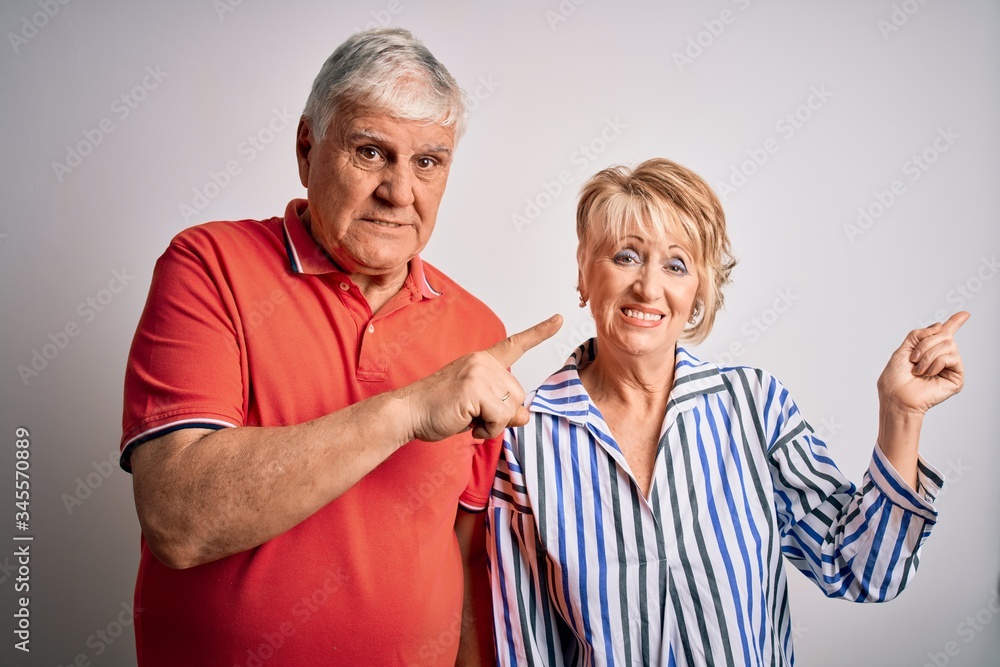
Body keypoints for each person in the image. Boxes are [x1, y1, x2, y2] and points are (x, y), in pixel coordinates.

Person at [120, 28, 560, 666]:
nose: (399, 192)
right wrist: (408, 410)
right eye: (371, 152)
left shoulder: (478, 332)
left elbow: (469, 556)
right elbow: (177, 518)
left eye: (428, 162)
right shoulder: (209, 266)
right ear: (307, 148)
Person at [486, 158, 968, 666]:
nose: (648, 287)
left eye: (676, 265)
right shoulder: (524, 439)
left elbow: (864, 571)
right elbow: (527, 648)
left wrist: (901, 413)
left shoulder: (755, 406)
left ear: (698, 293)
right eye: (626, 256)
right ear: (585, 273)